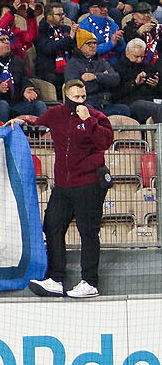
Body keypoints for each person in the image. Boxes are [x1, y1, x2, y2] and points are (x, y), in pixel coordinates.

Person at [21, 80, 114, 299]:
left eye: (82, 97)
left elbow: (104, 142)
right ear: (66, 96)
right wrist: (20, 122)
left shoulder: (97, 117)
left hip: (89, 183)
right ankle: (55, 278)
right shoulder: (56, 114)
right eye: (75, 97)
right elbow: (36, 127)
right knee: (52, 226)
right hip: (63, 185)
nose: (80, 101)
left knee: (88, 232)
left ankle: (89, 282)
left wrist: (87, 120)